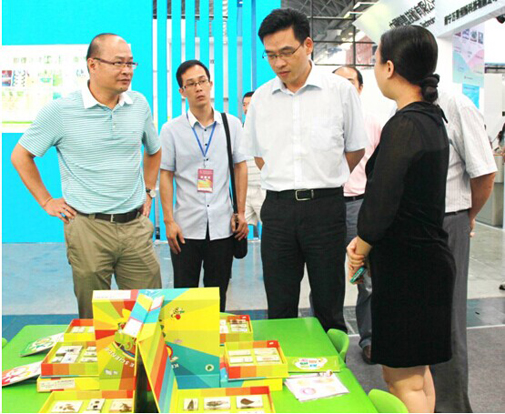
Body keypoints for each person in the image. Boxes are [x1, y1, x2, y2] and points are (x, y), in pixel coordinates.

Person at [11, 33, 162, 318]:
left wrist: (149, 190)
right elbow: (21, 156)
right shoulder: (61, 111)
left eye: (130, 63)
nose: (127, 70)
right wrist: (46, 201)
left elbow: (154, 150)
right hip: (87, 229)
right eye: (118, 63)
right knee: (95, 320)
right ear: (93, 64)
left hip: (135, 227)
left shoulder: (139, 104)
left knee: (148, 313)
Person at [347, 25, 456, 413]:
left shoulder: (405, 125)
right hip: (426, 264)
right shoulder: (431, 118)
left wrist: (360, 247)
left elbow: (382, 201)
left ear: (389, 67)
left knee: (402, 380)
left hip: (408, 269)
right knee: (418, 375)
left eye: (376, 60)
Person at [242, 8, 367, 332]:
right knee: (280, 305)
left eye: (286, 52)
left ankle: (332, 363)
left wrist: (324, 177)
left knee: (328, 303)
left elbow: (355, 148)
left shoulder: (339, 91)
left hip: (325, 208)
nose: (279, 63)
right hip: (278, 211)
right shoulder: (261, 99)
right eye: (271, 55)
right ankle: (282, 361)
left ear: (308, 45)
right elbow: (258, 156)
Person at [158, 60, 248, 312]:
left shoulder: (231, 124)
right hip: (185, 228)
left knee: (217, 295)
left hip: (222, 226)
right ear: (182, 91)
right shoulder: (171, 130)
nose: (198, 88)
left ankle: (214, 336)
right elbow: (165, 175)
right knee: (183, 297)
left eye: (202, 81)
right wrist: (168, 221)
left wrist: (241, 212)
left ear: (210, 84)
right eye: (191, 84)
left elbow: (240, 167)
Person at [430, 89, 497, 413]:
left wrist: (466, 216)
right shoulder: (401, 108)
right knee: (421, 320)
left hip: (447, 221)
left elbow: (484, 172)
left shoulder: (455, 105)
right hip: (414, 226)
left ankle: (452, 407)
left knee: (448, 320)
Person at [334, 65, 382, 364]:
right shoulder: (321, 121)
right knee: (325, 277)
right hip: (326, 206)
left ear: (360, 88)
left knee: (365, 276)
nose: (344, 87)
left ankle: (370, 338)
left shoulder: (374, 123)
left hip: (360, 205)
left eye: (350, 82)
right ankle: (328, 336)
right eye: (337, 82)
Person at [242, 91, 265, 240]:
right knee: (237, 230)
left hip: (263, 189)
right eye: (244, 105)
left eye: (250, 104)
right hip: (245, 189)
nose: (246, 108)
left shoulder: (267, 129)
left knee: (270, 230)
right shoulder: (239, 130)